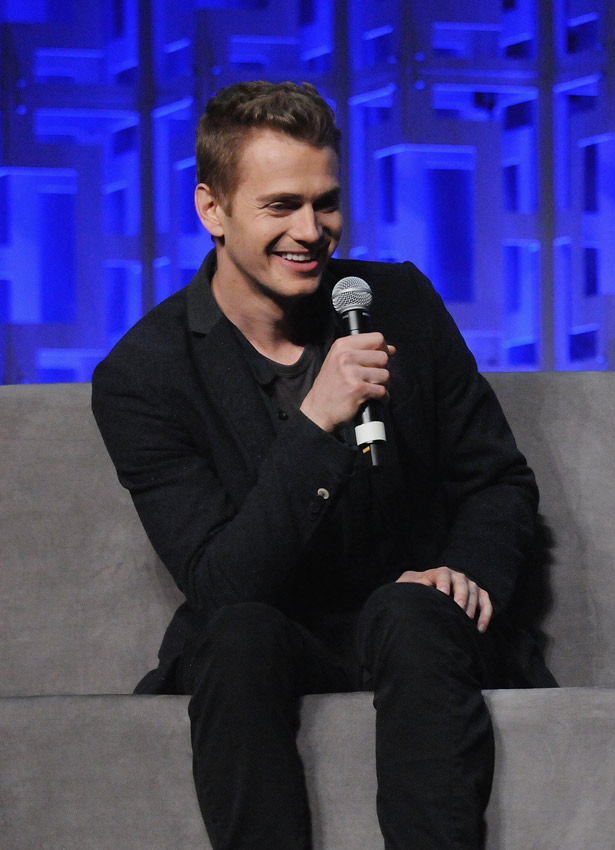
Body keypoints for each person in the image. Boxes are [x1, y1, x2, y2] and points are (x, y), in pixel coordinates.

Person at [92, 80, 552, 850]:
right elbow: (221, 582)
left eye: (326, 203)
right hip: (275, 634)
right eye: (280, 206)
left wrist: (463, 571)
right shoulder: (145, 374)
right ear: (212, 209)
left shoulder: (395, 298)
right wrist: (315, 422)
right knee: (233, 635)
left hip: (409, 625)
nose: (312, 231)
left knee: (410, 613)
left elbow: (497, 481)